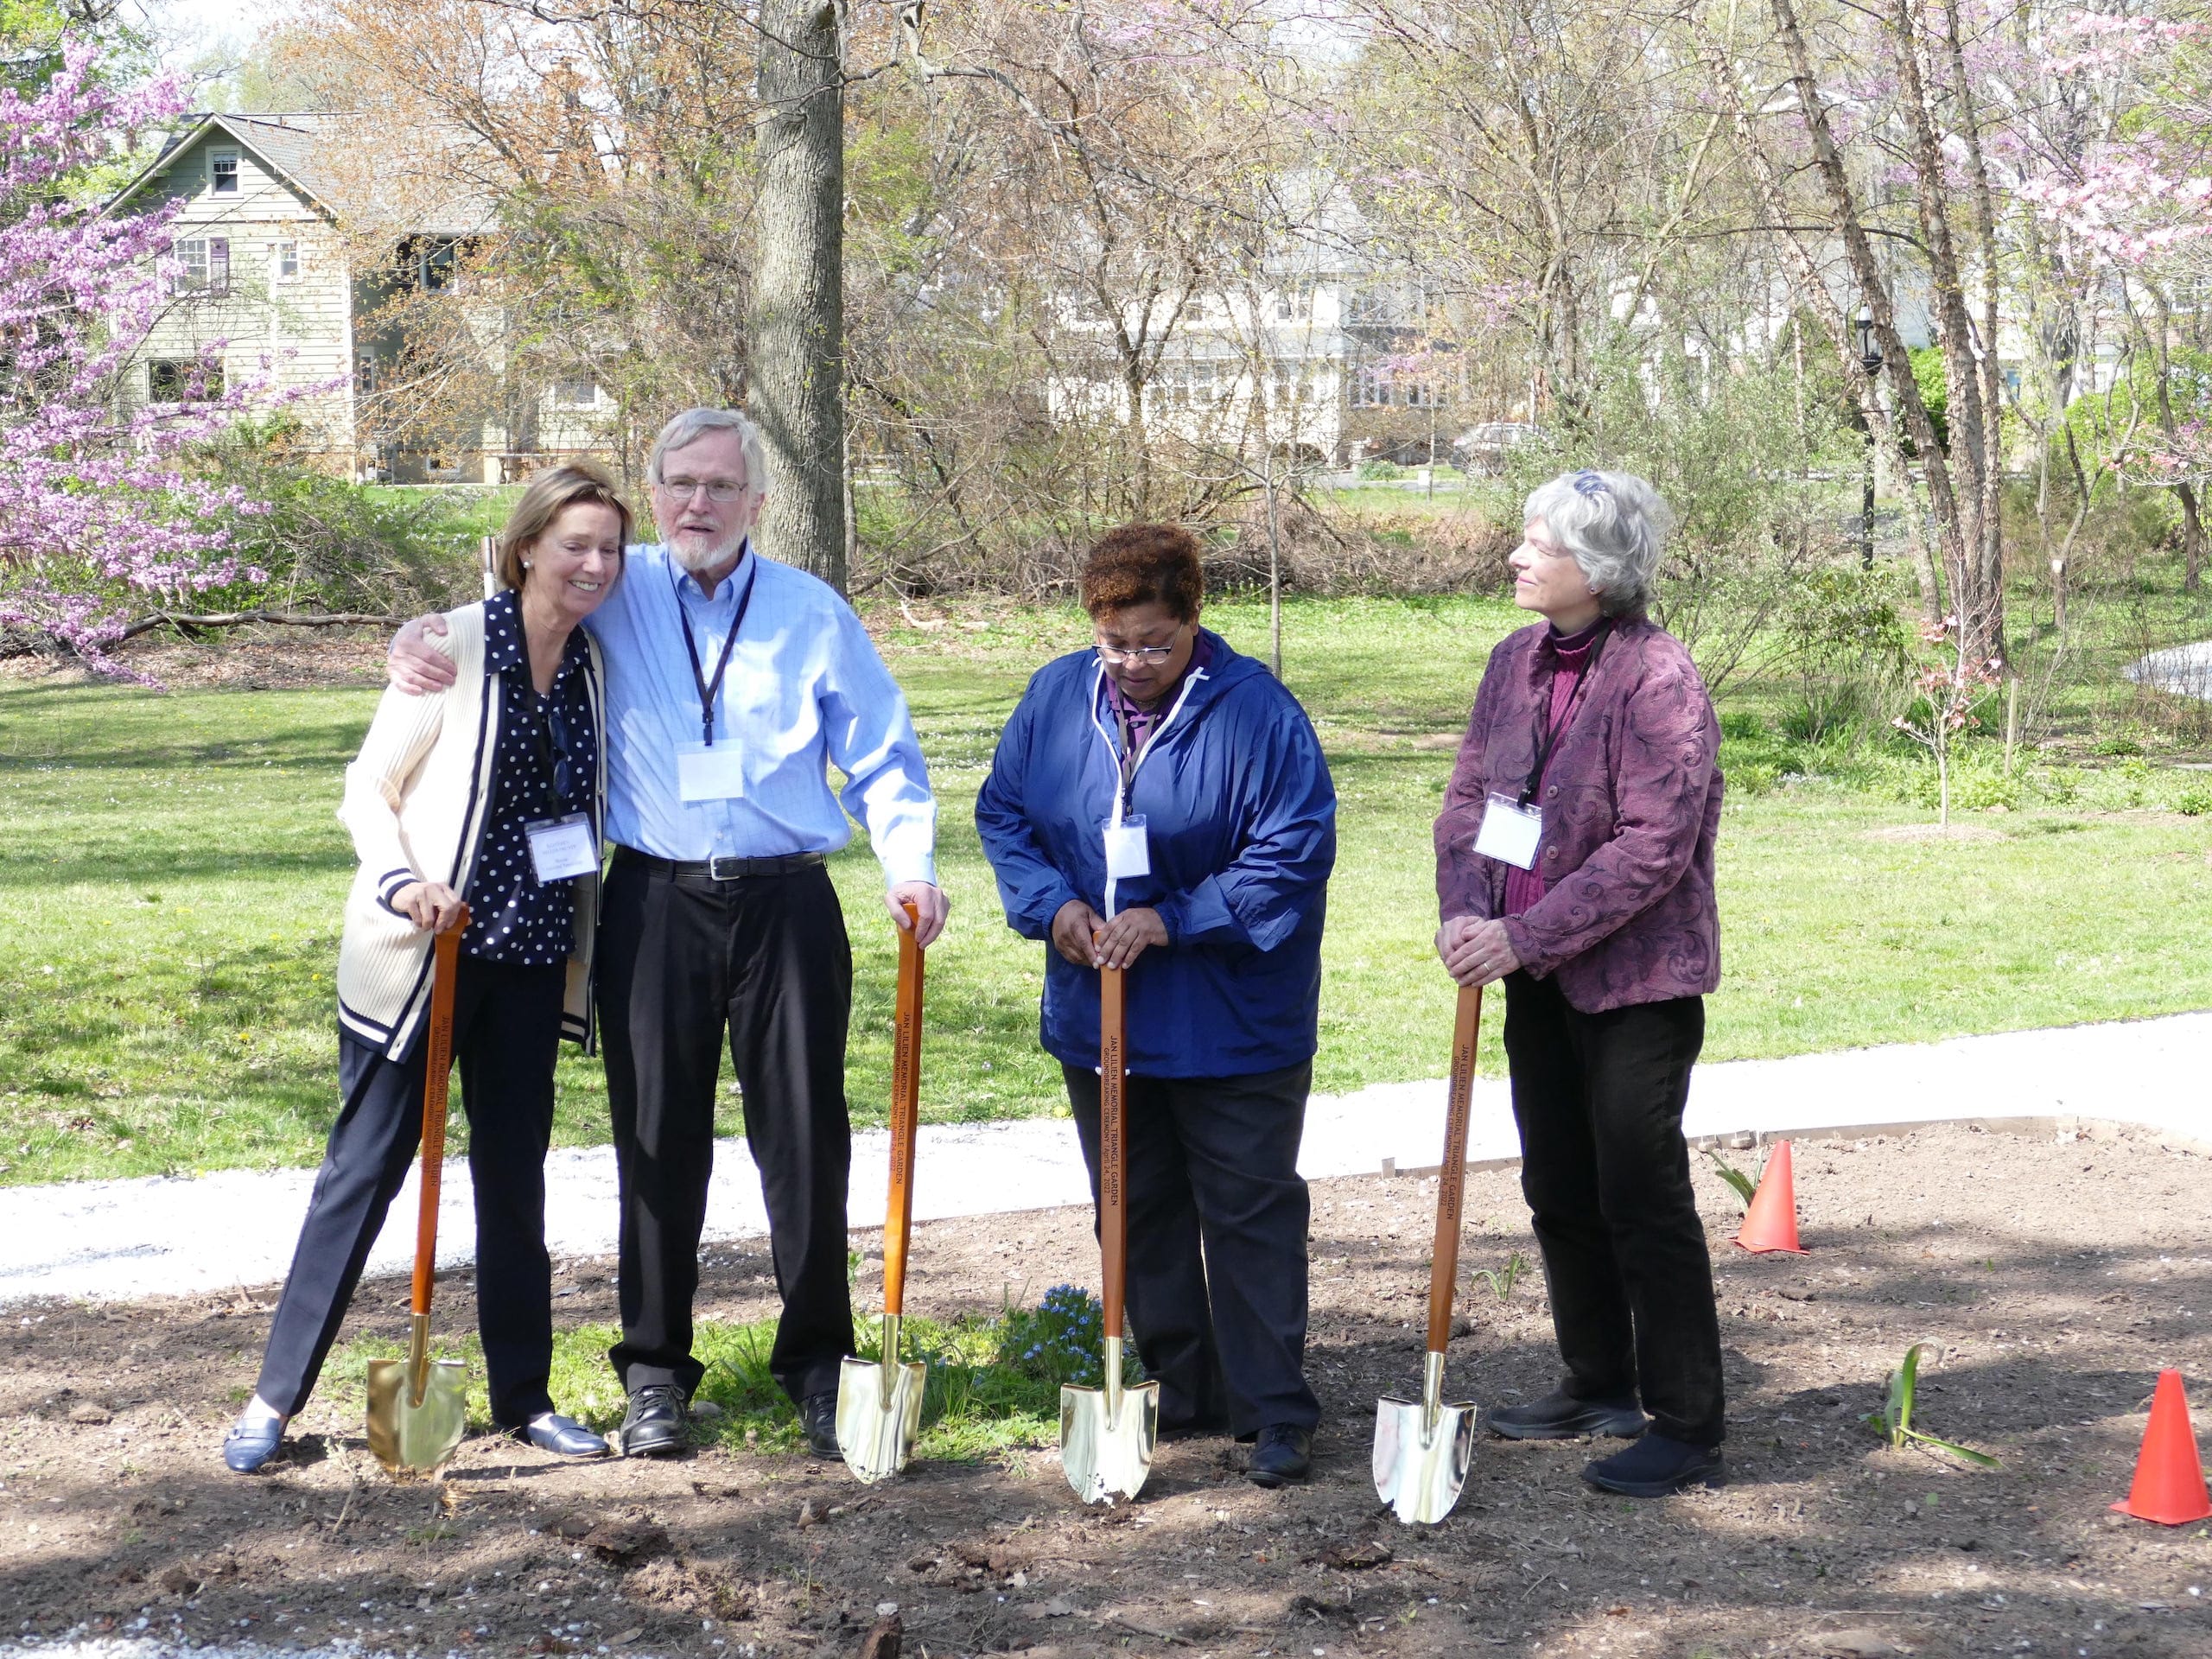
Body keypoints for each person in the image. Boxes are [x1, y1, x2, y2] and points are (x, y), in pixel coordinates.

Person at [385, 409, 947, 1460]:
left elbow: (882, 753)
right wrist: (415, 639)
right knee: (654, 1143)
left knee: (806, 1139)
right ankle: (653, 1372)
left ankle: (819, 1364)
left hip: (789, 902)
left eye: (722, 487)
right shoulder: (615, 582)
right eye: (682, 483)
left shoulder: (810, 610)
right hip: (653, 903)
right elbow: (505, 613)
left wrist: (909, 866)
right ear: (658, 489)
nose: (701, 504)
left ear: (758, 503)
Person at [224, 463, 632, 1473]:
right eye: (573, 544)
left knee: (513, 1182)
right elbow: (369, 785)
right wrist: (404, 881)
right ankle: (274, 1400)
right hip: (424, 957)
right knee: (362, 1172)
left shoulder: (593, 661)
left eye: (610, 549)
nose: (592, 564)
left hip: (532, 958)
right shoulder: (453, 645)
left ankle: (525, 1396)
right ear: (526, 544)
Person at [974, 524, 1336, 1487]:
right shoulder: (1057, 697)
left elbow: (1292, 850)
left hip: (1231, 1019)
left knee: (1248, 1212)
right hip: (1103, 1015)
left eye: (1154, 643)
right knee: (1134, 1212)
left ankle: (1273, 1412)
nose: (1133, 664)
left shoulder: (1257, 713)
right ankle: (1183, 1390)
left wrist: (1173, 920)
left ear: (1193, 621)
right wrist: (1051, 909)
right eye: (1115, 643)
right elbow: (1003, 812)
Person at [1432, 467, 1726, 1497]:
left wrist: (1525, 936)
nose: (1517, 556)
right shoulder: (1513, 660)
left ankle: (1687, 1422)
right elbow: (1472, 794)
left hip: (1637, 983)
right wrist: (1465, 913)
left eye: (1540, 545)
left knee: (1640, 1193)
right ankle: (1596, 1380)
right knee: (1557, 1182)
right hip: (1529, 968)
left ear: (1596, 568)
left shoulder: (1659, 678)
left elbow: (1653, 847)